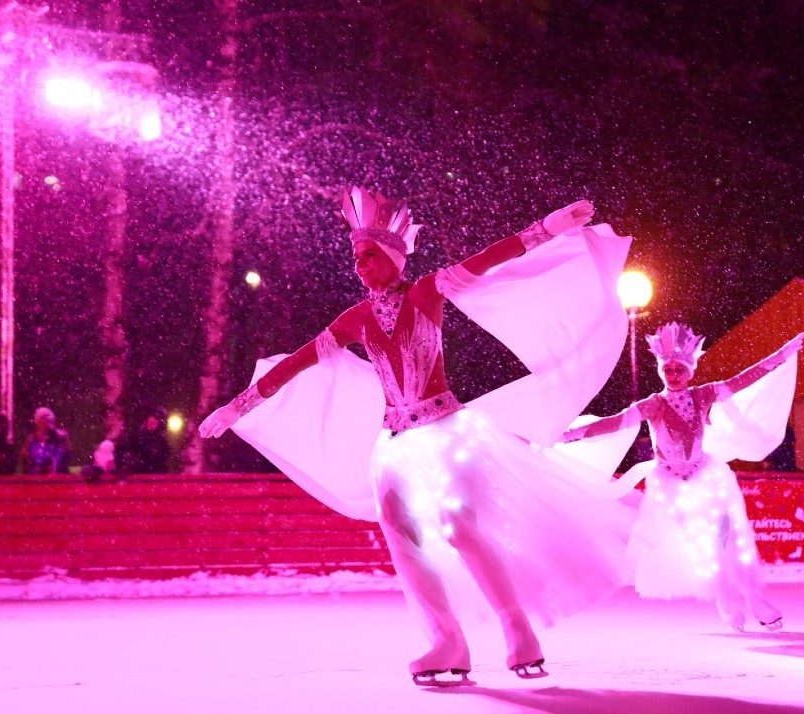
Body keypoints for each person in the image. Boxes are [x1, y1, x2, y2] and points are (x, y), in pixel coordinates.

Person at [200, 187, 635, 683]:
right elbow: (297, 363)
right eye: (356, 258)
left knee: (460, 529)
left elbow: (491, 258)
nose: (360, 266)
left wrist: (550, 227)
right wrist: (238, 407)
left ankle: (518, 628)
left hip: (447, 431)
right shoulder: (355, 319)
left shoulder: (428, 290)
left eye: (368, 256)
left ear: (392, 258)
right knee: (402, 536)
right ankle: (445, 640)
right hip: (394, 446)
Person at [561, 323, 804, 632]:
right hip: (672, 486)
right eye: (668, 369)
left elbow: (742, 381)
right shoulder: (653, 405)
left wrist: (780, 356)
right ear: (661, 371)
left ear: (690, 371)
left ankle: (755, 599)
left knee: (729, 542)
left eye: (679, 368)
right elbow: (615, 423)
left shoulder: (705, 394)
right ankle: (726, 599)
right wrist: (572, 434)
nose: (674, 374)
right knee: (705, 549)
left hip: (708, 478)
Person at [116, 409, 171, 474]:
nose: (150, 425)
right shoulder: (140, 437)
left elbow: (163, 455)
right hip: (142, 470)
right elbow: (128, 446)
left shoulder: (161, 440)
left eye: (153, 423)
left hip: (154, 471)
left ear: (157, 424)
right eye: (149, 422)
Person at [21, 407, 71, 474]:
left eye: (49, 420)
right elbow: (25, 459)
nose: (46, 422)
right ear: (38, 422)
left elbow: (67, 456)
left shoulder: (61, 437)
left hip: (59, 477)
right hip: (35, 477)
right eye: (43, 420)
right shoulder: (31, 439)